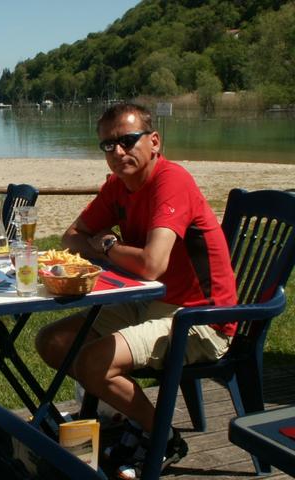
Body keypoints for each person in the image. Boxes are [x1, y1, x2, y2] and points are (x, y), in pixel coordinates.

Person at [35, 102, 238, 479]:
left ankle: (161, 435)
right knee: (52, 341)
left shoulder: (171, 180)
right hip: (149, 302)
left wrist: (108, 246)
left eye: (127, 140)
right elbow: (71, 238)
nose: (117, 152)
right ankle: (129, 413)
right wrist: (102, 245)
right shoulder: (118, 187)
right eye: (107, 145)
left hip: (202, 318)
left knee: (93, 362)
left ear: (155, 141)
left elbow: (152, 263)